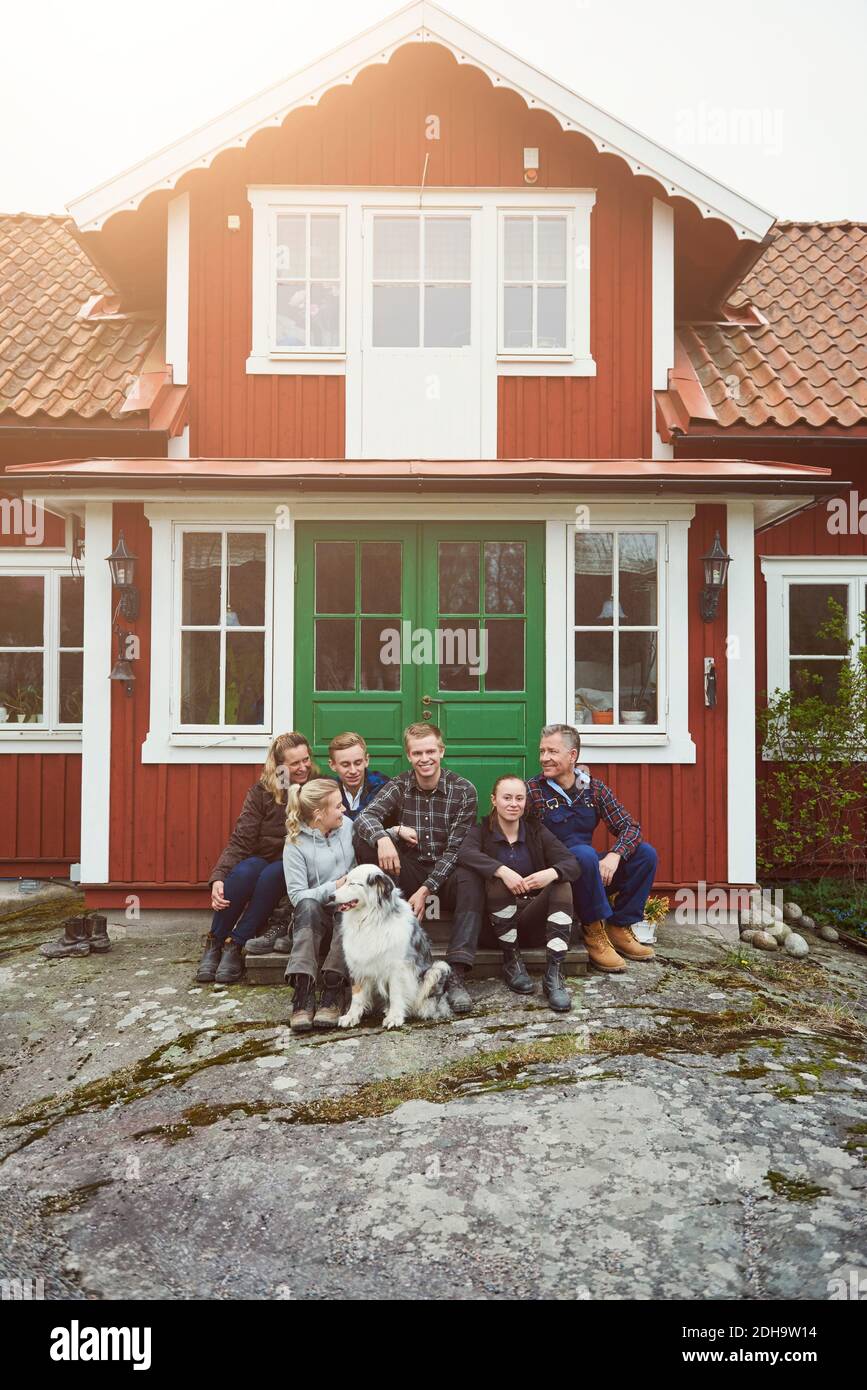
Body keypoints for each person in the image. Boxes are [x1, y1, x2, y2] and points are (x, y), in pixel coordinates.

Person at [353, 723, 481, 1014]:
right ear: (409, 756)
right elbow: (365, 818)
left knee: (471, 875)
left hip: (444, 875)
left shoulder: (463, 791)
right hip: (407, 873)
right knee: (365, 843)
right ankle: (380, 941)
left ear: (441, 751)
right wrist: (385, 836)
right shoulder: (399, 785)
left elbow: (456, 850)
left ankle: (456, 972)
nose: (425, 759)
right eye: (417, 753)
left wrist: (426, 890)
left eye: (430, 751)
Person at [525, 724, 657, 973]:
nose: (544, 758)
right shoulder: (532, 791)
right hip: (553, 875)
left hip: (586, 869)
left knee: (645, 854)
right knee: (584, 854)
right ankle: (593, 932)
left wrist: (614, 855)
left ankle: (618, 927)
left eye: (552, 751)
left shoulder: (593, 789)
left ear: (572, 755)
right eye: (542, 751)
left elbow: (630, 827)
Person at [196, 732, 318, 984]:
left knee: (272, 873)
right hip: (262, 858)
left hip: (298, 862)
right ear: (280, 766)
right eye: (295, 763)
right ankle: (215, 941)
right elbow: (241, 838)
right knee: (245, 871)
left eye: (306, 759)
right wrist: (218, 877)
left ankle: (235, 942)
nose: (303, 766)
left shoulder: (318, 786)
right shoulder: (263, 792)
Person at [458, 775, 582, 1012]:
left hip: (530, 919)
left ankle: (554, 975)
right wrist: (502, 870)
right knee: (496, 880)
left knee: (561, 883)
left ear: (526, 802)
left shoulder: (535, 831)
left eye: (519, 798)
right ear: (493, 800)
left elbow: (572, 863)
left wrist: (551, 873)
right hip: (494, 927)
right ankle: (511, 961)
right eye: (507, 798)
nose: (513, 804)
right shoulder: (481, 831)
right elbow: (465, 854)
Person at [282, 778, 355, 1033]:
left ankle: (333, 989)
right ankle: (303, 992)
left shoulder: (348, 827)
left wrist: (392, 833)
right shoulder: (294, 843)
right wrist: (335, 886)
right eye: (338, 806)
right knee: (308, 904)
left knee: (349, 911)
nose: (344, 810)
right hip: (311, 926)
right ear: (318, 814)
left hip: (344, 920)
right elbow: (297, 897)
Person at [327, 731, 390, 820]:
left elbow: (364, 821)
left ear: (366, 760)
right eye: (345, 765)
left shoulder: (382, 786)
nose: (353, 771)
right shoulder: (328, 792)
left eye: (357, 763)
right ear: (332, 765)